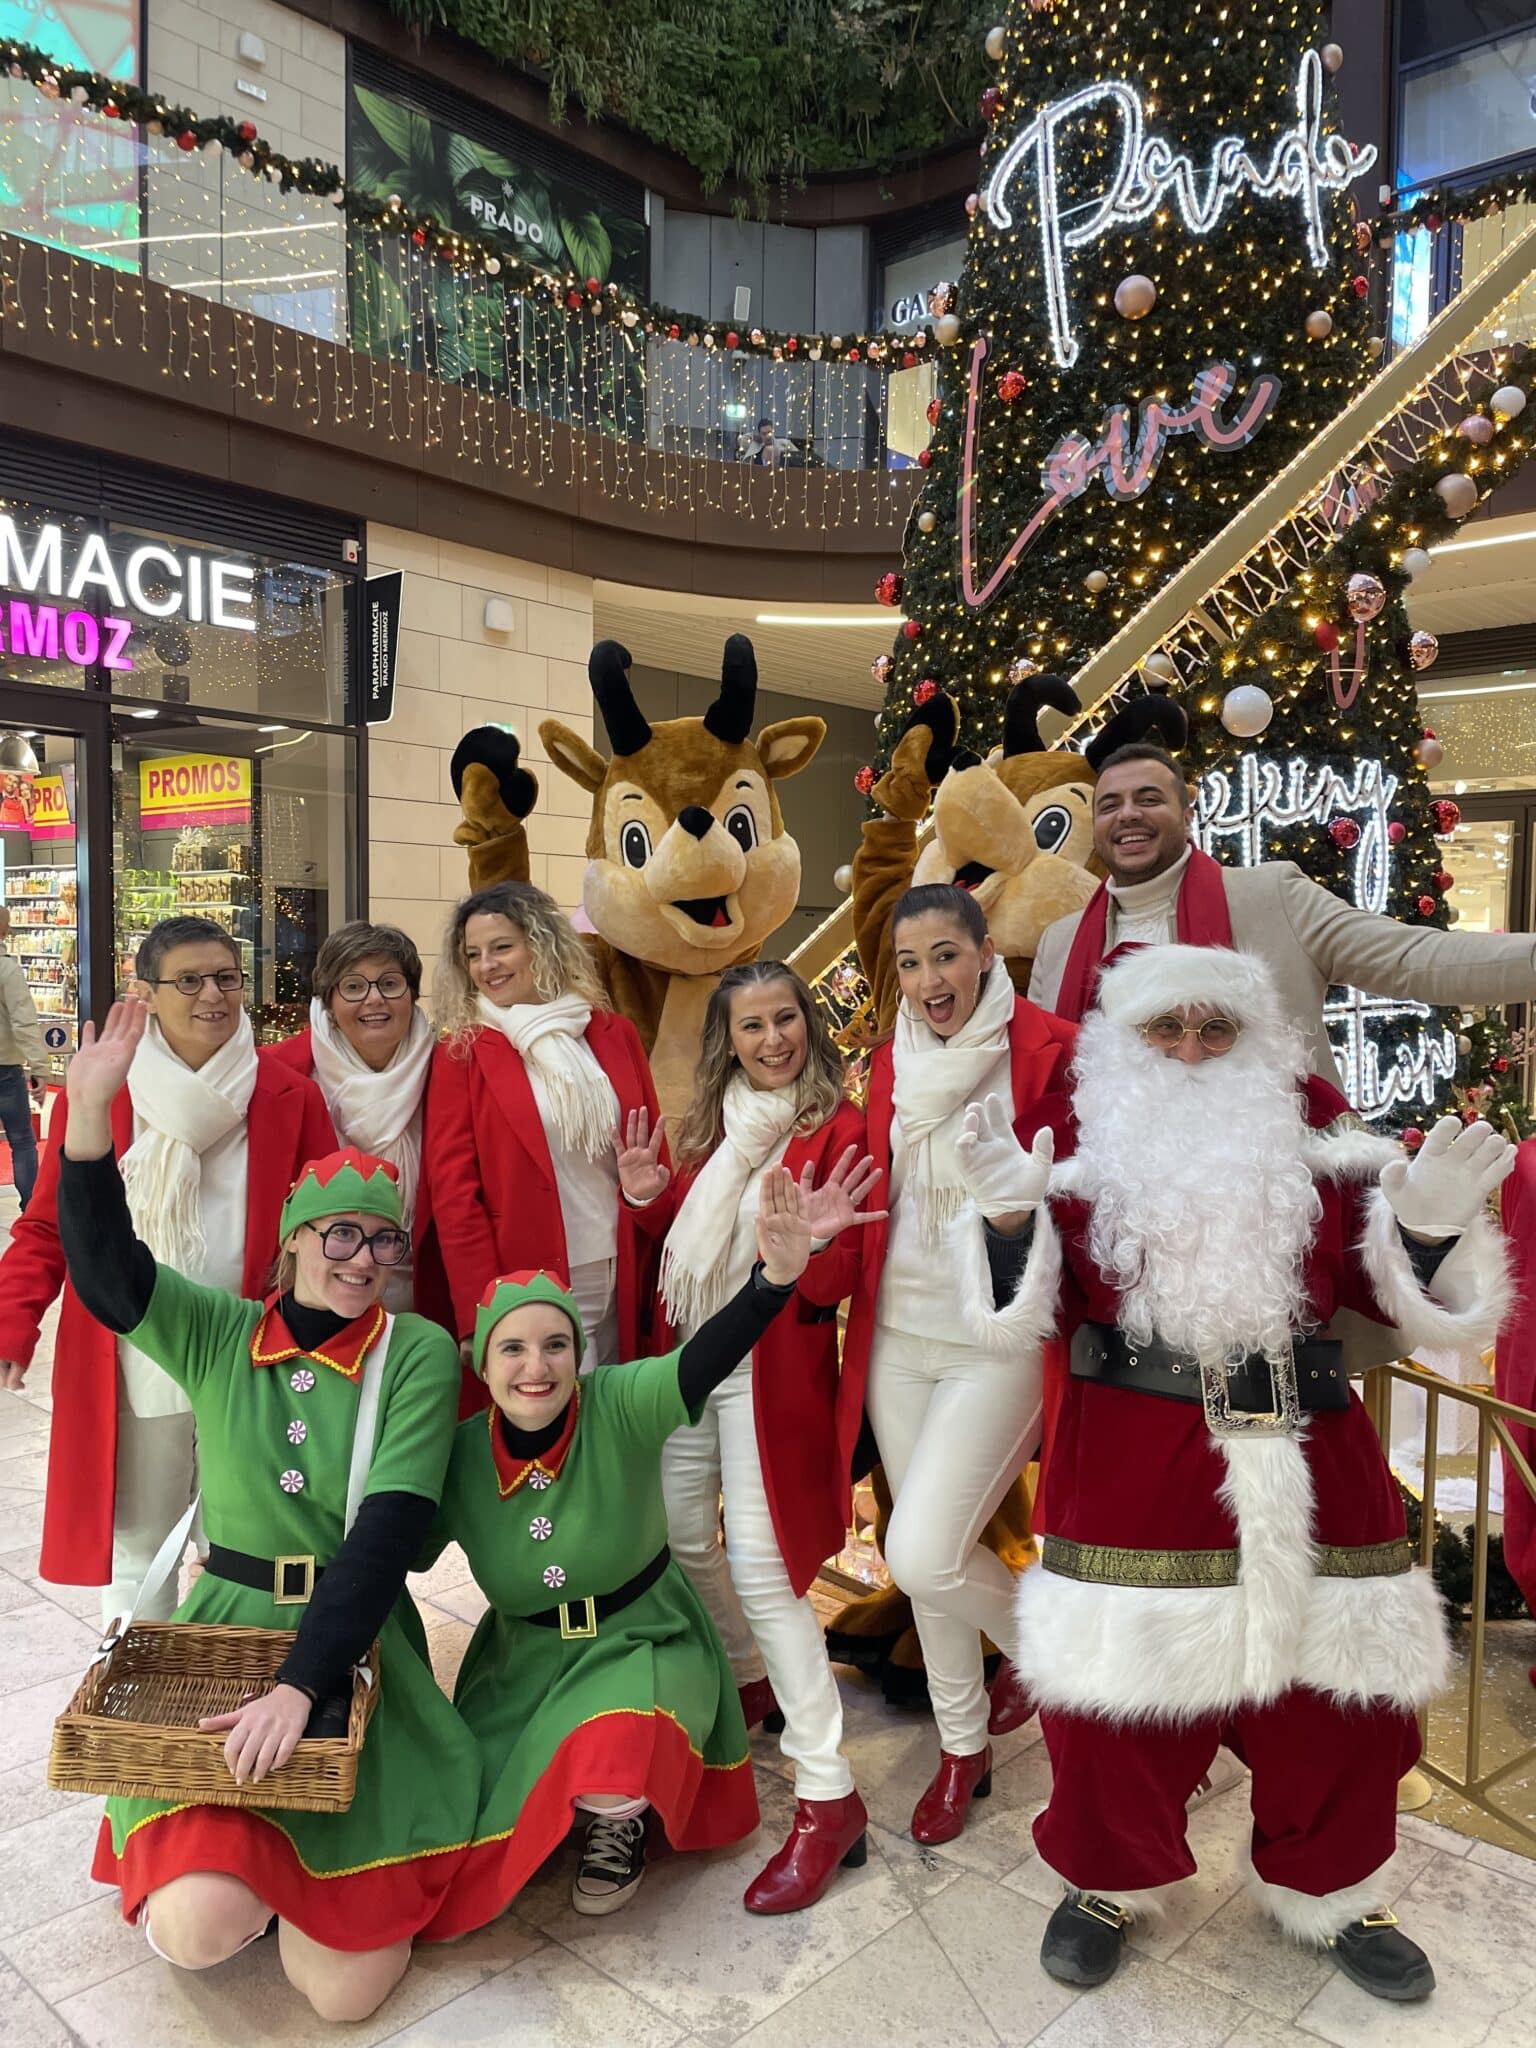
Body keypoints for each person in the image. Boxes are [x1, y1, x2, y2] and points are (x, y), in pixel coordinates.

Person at [958, 943, 1512, 2002]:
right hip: (1130, 1445)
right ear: (1126, 1040)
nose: (1192, 1049)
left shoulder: (1303, 1125)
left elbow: (1391, 1277)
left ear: (1256, 1039)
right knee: (1112, 1696)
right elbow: (1021, 1303)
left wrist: (1431, 1229)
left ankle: (1337, 1887)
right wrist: (1003, 1221)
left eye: (1217, 1028)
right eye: (1167, 1028)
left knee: (1340, 1692)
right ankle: (1106, 1879)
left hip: (1309, 1443)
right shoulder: (1074, 1134)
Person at [55, 1000, 479, 2023]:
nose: (363, 1256)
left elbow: (383, 1537)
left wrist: (303, 1684)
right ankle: (256, 1878)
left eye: (382, 1238)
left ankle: (318, 1884)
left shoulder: (413, 1351)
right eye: (341, 1232)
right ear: (292, 1242)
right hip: (222, 1629)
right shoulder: (219, 1330)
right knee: (199, 1929)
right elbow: (109, 1274)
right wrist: (88, 1116)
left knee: (338, 1994)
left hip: (357, 1639)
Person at [424, 1166, 821, 1934]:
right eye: (512, 1349)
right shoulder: (461, 1456)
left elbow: (702, 1357)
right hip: (523, 1662)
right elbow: (389, 1544)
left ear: (579, 1356)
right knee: (465, 1808)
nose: (534, 1367)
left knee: (613, 1763)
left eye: (554, 1346)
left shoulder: (617, 1405)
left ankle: (618, 1817)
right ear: (484, 1364)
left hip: (640, 1640)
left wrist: (773, 1281)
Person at [618, 959, 884, 1912]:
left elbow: (836, 1281)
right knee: (684, 1540)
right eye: (752, 1026)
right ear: (726, 1039)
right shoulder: (714, 1126)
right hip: (688, 1361)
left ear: (808, 1024)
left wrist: (805, 1255)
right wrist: (648, 1198)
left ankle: (827, 1796)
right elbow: (675, 1243)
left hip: (769, 1378)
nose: (773, 1040)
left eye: (785, 1020)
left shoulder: (839, 1128)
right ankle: (749, 1678)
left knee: (770, 1580)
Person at [0, 916, 334, 1623]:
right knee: (140, 1545)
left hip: (250, 1359)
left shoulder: (286, 1093)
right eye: (189, 980)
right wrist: (13, 1319)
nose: (212, 995)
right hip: (136, 1356)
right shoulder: (104, 1090)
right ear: (145, 991)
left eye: (226, 978)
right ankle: (135, 1686)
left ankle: (229, 1681)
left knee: (247, 1541)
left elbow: (324, 1219)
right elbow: (51, 1223)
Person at [841, 882, 1077, 1844]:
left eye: (946, 955)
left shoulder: (1049, 1048)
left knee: (924, 1552)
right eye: (908, 962)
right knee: (932, 1574)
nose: (929, 979)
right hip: (899, 1335)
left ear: (985, 951)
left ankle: (1068, 1674)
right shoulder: (890, 1062)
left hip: (999, 1335)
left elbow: (1081, 1193)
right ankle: (961, 1747)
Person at [1029, 742, 1536, 1076]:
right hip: (1113, 1204)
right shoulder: (1060, 940)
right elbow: (1035, 1062)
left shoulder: (1272, 895)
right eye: (1110, 804)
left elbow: (1412, 958)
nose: (1129, 815)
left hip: (1273, 1197)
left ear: (1186, 815)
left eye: (1148, 798)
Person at [425, 882, 662, 1372]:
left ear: (542, 945)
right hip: (528, 1277)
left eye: (502, 947)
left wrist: (646, 1200)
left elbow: (650, 1151)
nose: (487, 965)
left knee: (619, 1420)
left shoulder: (613, 1034)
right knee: (562, 1430)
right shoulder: (464, 1052)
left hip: (624, 1266)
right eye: (474, 954)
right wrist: (478, 1311)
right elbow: (454, 1195)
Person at [262, 921, 438, 1318]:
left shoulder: (451, 1072)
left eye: (390, 984)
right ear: (328, 1001)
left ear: (412, 994)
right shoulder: (278, 1074)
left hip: (422, 1303)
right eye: (354, 987)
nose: (374, 1000)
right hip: (310, 1302)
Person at [0, 903, 45, 1210]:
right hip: (5, 1069)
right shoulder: (7, 970)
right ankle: (32, 1207)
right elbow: (23, 1021)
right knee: (22, 1141)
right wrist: (39, 1065)